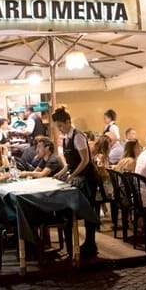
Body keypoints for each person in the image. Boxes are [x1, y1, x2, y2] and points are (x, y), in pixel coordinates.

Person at [51, 106, 99, 258]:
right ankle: (82, 245)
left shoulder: (78, 136)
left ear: (68, 122)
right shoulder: (67, 138)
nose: (59, 129)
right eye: (57, 127)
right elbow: (70, 164)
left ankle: (91, 244)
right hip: (78, 177)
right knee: (79, 210)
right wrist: (60, 173)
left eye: (60, 126)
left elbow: (85, 160)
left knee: (88, 210)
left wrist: (72, 176)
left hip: (88, 178)